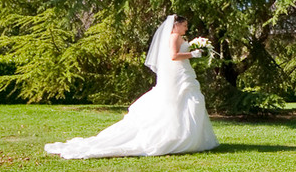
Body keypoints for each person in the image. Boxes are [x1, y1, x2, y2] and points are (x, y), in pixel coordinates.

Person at [44, 15, 219, 158]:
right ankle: (179, 136)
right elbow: (173, 56)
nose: (186, 28)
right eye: (184, 25)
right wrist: (192, 54)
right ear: (176, 25)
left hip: (182, 72)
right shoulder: (173, 37)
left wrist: (194, 49)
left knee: (188, 102)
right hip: (178, 74)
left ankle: (186, 136)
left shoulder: (179, 37)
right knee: (180, 102)